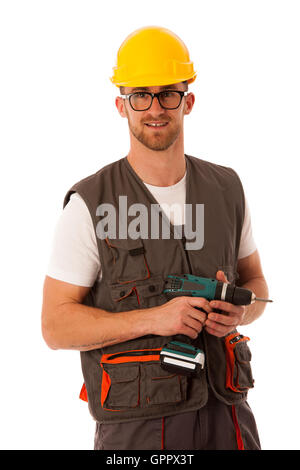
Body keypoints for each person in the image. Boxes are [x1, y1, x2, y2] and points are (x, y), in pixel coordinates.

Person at [42, 26, 269, 450]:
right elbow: (55, 326)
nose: (154, 107)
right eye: (140, 95)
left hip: (230, 417)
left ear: (188, 101)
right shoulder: (91, 204)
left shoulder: (227, 189)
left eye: (168, 93)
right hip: (139, 430)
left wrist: (242, 311)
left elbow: (256, 286)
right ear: (121, 106)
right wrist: (153, 319)